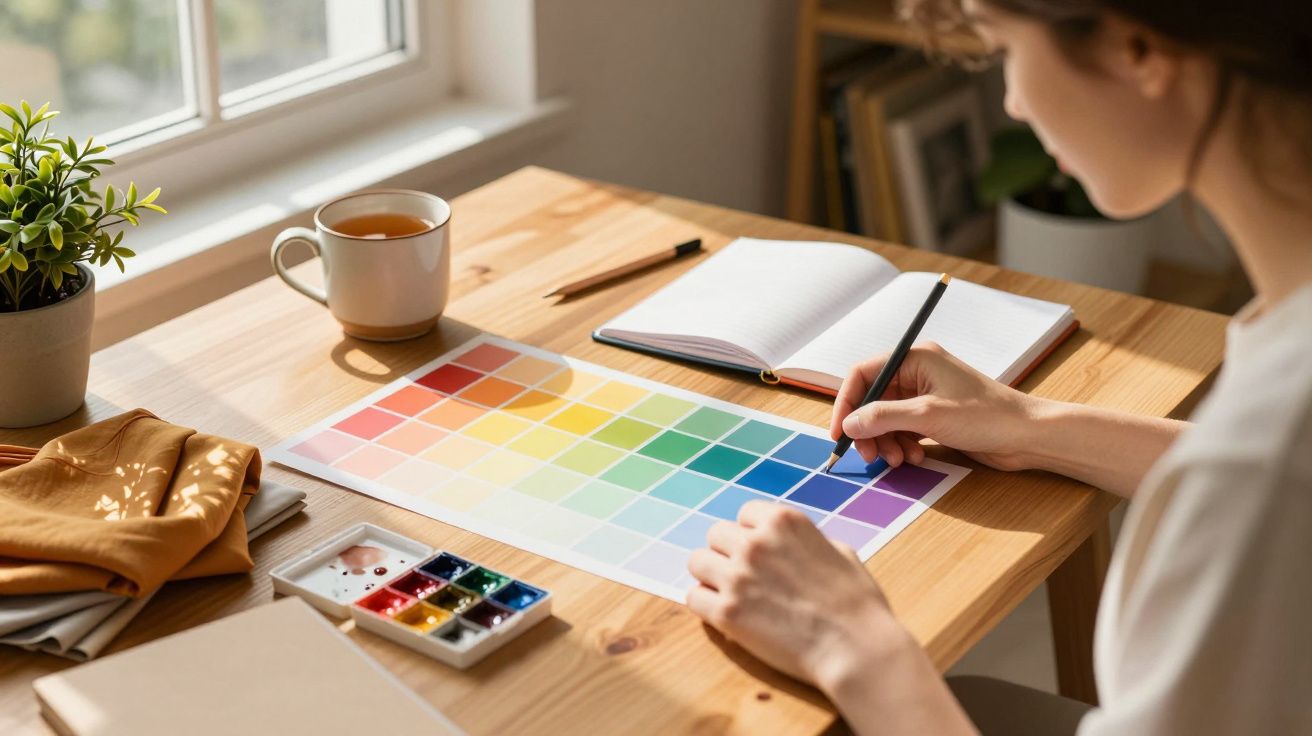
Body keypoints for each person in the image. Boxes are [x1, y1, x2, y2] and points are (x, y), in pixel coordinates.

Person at [685, 1, 1312, 733]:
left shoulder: (1267, 457)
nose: (1012, 102)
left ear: (1135, 47)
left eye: (1006, 46)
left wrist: (852, 643)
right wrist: (1031, 427)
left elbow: (1266, 483)